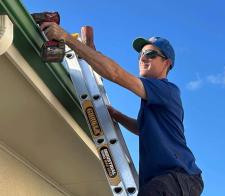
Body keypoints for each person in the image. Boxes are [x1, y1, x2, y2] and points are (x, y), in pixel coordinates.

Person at [41, 21, 204, 195]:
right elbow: (141, 128)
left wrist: (67, 38)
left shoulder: (166, 90)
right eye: (141, 54)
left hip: (177, 176)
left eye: (150, 54)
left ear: (166, 63)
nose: (142, 58)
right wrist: (116, 115)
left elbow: (116, 74)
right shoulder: (154, 98)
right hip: (166, 180)